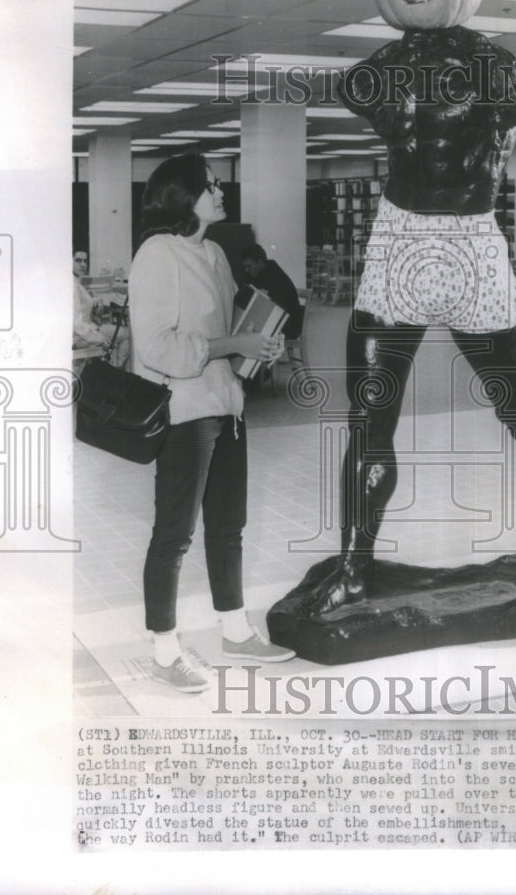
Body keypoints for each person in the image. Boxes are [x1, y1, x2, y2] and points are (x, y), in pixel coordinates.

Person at [301, 0, 516, 615]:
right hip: (400, 240)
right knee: (368, 419)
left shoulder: (495, 66)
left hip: (470, 242)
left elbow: (504, 129)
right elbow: (362, 91)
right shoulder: (375, 74)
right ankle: (354, 563)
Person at [128, 154, 295, 693]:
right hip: (182, 412)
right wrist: (232, 345)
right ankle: (164, 650)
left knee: (228, 527)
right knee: (174, 535)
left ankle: (235, 631)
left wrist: (256, 347)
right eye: (211, 185)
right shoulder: (157, 255)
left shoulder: (218, 254)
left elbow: (225, 337)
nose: (221, 191)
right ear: (184, 197)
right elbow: (156, 348)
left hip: (226, 404)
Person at [72, 250, 130, 368]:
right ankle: (116, 370)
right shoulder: (71, 286)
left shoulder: (76, 282)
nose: (83, 264)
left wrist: (94, 302)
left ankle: (113, 370)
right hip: (79, 337)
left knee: (114, 331)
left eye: (85, 261)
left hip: (84, 332)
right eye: (78, 260)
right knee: (126, 333)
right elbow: (77, 324)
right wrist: (100, 338)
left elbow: (81, 305)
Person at [241, 243, 304, 340]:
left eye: (249, 266)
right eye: (245, 267)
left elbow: (277, 309)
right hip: (279, 318)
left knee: (248, 335)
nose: (246, 270)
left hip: (289, 325)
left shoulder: (274, 277)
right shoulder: (261, 272)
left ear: (261, 262)